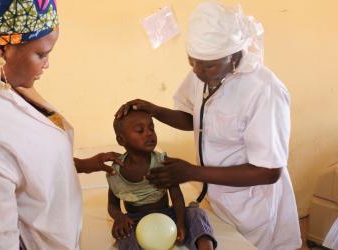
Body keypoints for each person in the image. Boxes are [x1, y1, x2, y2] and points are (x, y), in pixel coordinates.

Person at [115, 2, 302, 250]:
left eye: (208, 65)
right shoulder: (203, 73)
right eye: (192, 61)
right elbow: (194, 119)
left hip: (254, 204)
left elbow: (269, 172)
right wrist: (155, 111)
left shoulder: (264, 91)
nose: (198, 72)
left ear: (234, 56)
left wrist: (192, 172)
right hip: (218, 197)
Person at [0, 1, 121, 249]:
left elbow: (23, 164)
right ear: (2, 49)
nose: (47, 65)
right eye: (42, 54)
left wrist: (77, 165)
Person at [107, 110, 217, 250]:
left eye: (151, 128)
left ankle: (205, 247)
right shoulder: (115, 171)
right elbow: (112, 204)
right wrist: (119, 217)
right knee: (123, 233)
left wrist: (181, 223)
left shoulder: (162, 162)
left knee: (196, 213)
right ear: (121, 140)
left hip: (167, 213)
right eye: (140, 130)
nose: (149, 133)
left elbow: (176, 197)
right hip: (135, 220)